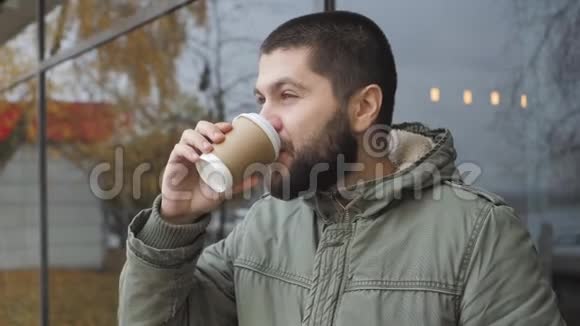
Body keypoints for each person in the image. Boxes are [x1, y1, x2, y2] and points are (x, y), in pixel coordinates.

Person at [118, 11, 566, 325]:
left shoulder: (477, 232)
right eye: (261, 100)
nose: (262, 120)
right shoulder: (264, 225)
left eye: (288, 96)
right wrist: (174, 219)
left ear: (364, 107)